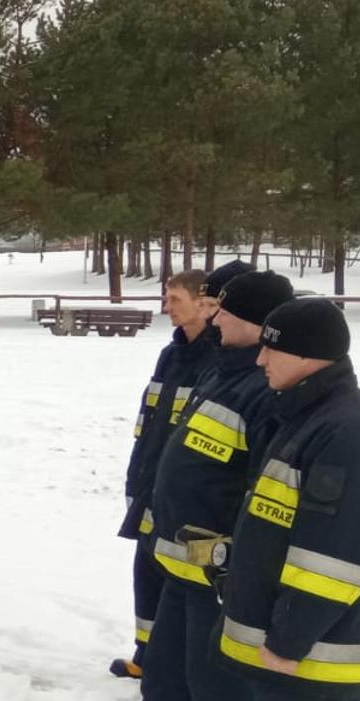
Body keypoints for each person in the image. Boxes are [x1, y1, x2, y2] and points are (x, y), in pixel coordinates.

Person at [94, 267, 291, 701]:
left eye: (226, 309)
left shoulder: (265, 389)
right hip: (178, 565)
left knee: (220, 695)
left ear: (257, 323)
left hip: (217, 575)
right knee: (168, 681)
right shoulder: (221, 369)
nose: (215, 315)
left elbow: (263, 492)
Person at [217, 298, 360, 701]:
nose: (259, 360)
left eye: (271, 349)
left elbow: (339, 558)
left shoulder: (346, 431)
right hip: (297, 655)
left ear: (308, 354)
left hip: (313, 660)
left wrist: (289, 639)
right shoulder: (308, 414)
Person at [113, 268, 220, 678]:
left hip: (185, 489)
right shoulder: (171, 354)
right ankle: (147, 655)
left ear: (203, 304)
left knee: (177, 577)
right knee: (146, 571)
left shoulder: (218, 360)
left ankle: (172, 661)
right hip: (151, 481)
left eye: (175, 299)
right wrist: (137, 476)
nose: (166, 307)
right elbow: (150, 421)